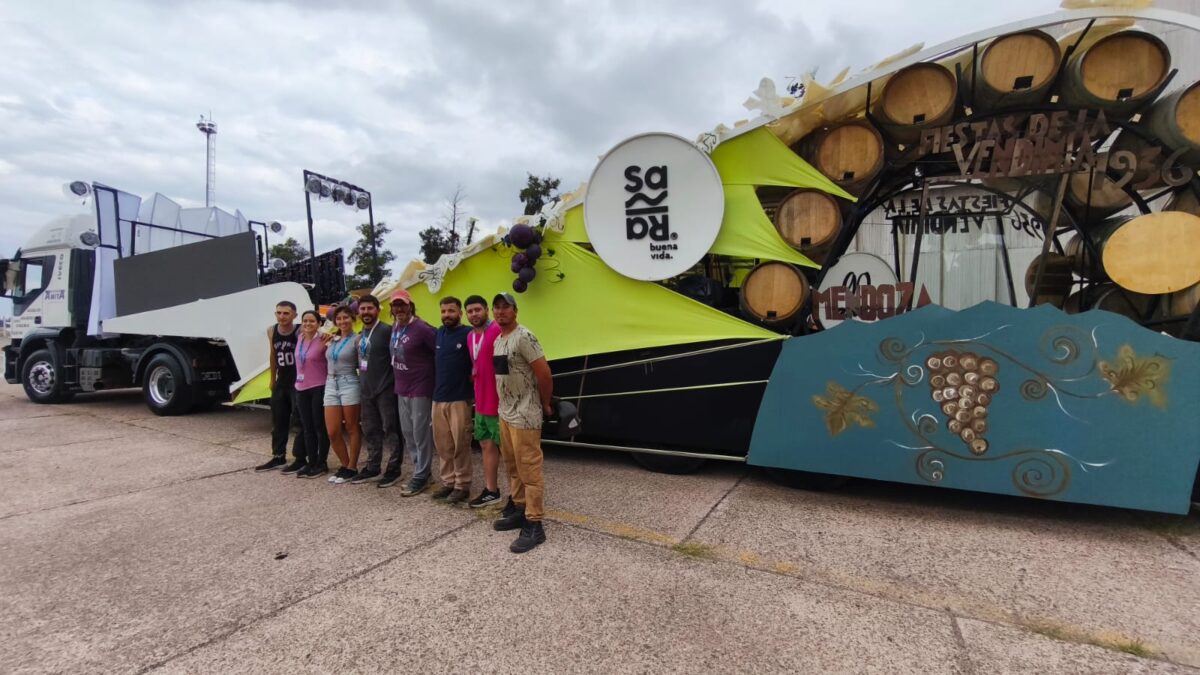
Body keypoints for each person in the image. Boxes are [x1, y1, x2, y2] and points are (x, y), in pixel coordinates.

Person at [490, 292, 554, 553]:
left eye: (506, 307)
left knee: (529, 470)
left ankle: (535, 524)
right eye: (497, 307)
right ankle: (519, 508)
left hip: (526, 414)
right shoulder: (498, 340)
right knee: (512, 466)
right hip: (506, 413)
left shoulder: (525, 336)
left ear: (515, 311)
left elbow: (544, 373)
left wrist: (545, 404)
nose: (500, 311)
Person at [351, 295, 404, 488]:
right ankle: (373, 467)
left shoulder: (387, 331)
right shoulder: (361, 334)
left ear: (377, 309)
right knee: (370, 430)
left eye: (369, 308)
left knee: (391, 429)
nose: (366, 312)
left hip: (386, 389)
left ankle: (394, 469)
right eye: (362, 309)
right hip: (366, 390)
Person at [389, 289, 438, 497]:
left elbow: (438, 351)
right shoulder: (395, 327)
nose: (399, 308)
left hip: (420, 387)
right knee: (408, 433)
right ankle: (422, 471)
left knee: (420, 432)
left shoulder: (422, 328)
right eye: (395, 305)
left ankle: (421, 475)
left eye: (403, 304)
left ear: (410, 306)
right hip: (402, 387)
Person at [430, 296, 474, 504]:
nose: (446, 315)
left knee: (460, 445)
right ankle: (448, 482)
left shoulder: (468, 334)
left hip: (459, 398)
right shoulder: (439, 333)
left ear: (460, 313)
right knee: (443, 445)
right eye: (443, 311)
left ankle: (462, 485)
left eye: (451, 311)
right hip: (438, 398)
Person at [256, 301, 307, 473]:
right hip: (281, 381)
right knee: (278, 420)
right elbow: (273, 354)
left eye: (286, 313)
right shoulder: (272, 330)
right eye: (279, 313)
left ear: (294, 315)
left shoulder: (300, 330)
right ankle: (278, 456)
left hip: (297, 381)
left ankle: (300, 458)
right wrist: (272, 378)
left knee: (299, 421)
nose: (282, 316)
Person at [464, 294, 503, 508]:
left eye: (477, 309)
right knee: (486, 445)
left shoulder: (497, 330)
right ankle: (491, 490)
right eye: (470, 311)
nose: (474, 314)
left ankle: (519, 497)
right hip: (481, 401)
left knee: (509, 450)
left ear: (487, 310)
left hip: (499, 402)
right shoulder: (470, 336)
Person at [323, 305, 362, 484]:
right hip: (331, 383)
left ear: (353, 319)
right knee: (332, 431)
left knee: (352, 427)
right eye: (338, 319)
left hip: (349, 382)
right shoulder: (332, 339)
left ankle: (352, 467)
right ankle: (345, 465)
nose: (342, 321)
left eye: (346, 317)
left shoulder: (357, 339)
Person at [294, 310, 331, 479]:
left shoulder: (324, 339)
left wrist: (329, 336)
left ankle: (321, 463)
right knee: (307, 427)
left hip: (319, 387)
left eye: (312, 321)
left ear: (319, 323)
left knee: (319, 426)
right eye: (305, 321)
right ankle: (311, 461)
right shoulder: (300, 337)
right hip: (301, 387)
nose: (308, 324)